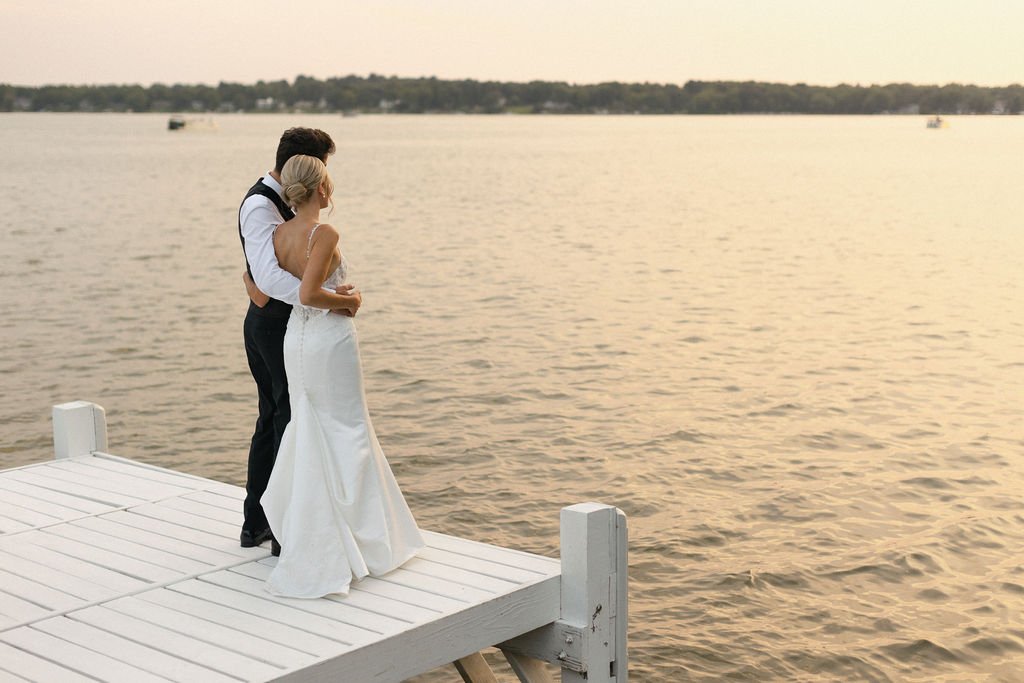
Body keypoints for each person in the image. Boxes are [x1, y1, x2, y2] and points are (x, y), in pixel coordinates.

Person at [258, 155, 423, 597]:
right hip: (328, 340)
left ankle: (312, 532)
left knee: (310, 426)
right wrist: (350, 302)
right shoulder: (324, 232)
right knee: (347, 428)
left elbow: (257, 285)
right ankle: (364, 541)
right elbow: (312, 293)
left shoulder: (276, 234)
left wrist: (327, 295)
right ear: (322, 189)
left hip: (296, 339)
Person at [238, 127, 359, 550]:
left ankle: (270, 521)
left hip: (290, 325)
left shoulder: (286, 203)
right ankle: (268, 523)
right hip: (273, 326)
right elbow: (268, 276)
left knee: (283, 420)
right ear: (307, 163)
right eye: (325, 165)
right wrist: (324, 301)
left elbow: (266, 270)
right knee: (281, 421)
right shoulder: (259, 204)